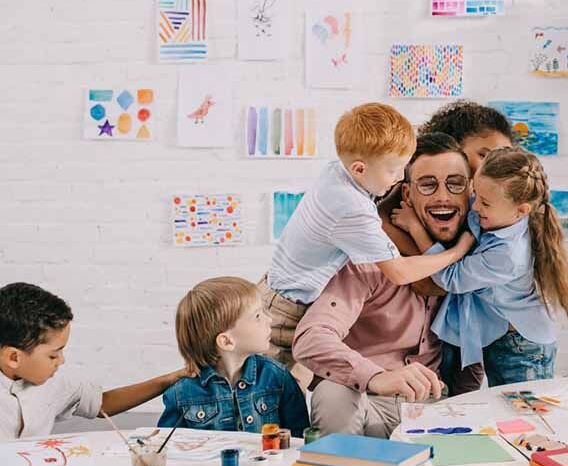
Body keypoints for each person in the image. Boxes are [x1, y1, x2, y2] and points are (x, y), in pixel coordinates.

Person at [261, 103, 473, 380]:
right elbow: (399, 272)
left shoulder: (338, 171)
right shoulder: (351, 207)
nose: (398, 179)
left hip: (280, 291)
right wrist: (457, 252)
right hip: (286, 310)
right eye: (394, 170)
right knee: (268, 392)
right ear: (359, 169)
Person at [293, 133, 473, 438]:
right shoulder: (369, 260)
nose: (443, 196)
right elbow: (311, 338)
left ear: (470, 192)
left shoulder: (476, 265)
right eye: (428, 184)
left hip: (437, 408)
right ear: (406, 195)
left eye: (455, 183)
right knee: (333, 393)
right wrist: (376, 376)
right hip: (370, 401)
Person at [392, 147, 568, 386]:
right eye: (475, 193)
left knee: (522, 415)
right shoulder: (497, 213)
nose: (474, 207)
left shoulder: (507, 255)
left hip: (522, 348)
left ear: (521, 210)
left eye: (484, 202)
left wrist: (415, 227)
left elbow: (450, 278)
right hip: (499, 335)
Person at [379, 101, 515, 394]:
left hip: (469, 329)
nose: (495, 165)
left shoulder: (487, 207)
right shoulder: (395, 199)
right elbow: (428, 282)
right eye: (484, 155)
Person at [0, 282, 188, 440]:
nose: (61, 361)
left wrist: (167, 380)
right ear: (13, 357)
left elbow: (102, 403)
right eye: (53, 355)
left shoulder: (50, 385)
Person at [157, 277, 309, 437]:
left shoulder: (278, 377)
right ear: (227, 341)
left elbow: (299, 440)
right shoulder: (182, 393)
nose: (269, 320)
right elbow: (168, 447)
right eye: (257, 316)